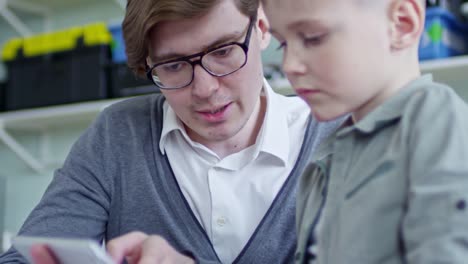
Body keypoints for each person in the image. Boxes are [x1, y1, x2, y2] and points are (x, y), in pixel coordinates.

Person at [0, 0, 341, 263]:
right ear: (146, 67)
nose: (206, 89)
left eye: (223, 51)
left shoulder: (341, 134)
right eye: (174, 65)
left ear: (263, 28)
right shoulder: (117, 135)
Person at [260, 0, 468, 263]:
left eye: (313, 38)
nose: (289, 65)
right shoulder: (323, 160)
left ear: (402, 23)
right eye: (284, 44)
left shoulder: (437, 121)